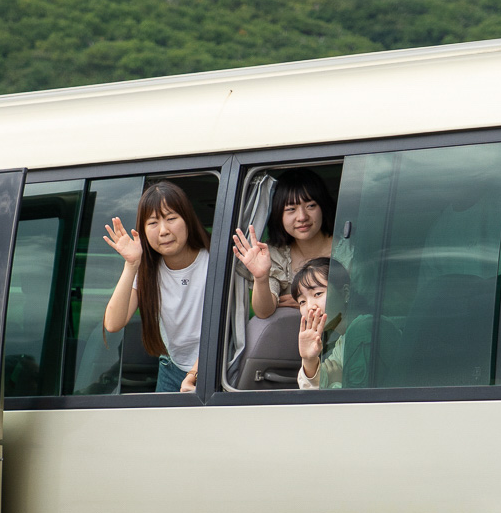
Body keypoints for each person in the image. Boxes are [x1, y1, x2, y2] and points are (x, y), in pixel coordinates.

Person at [101, 181, 211, 392]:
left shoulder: (212, 260)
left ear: (187, 219)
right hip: (172, 368)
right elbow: (113, 323)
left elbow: (228, 328)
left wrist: (194, 374)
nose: (163, 231)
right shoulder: (146, 270)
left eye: (171, 219)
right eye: (152, 223)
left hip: (215, 364)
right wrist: (131, 265)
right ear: (142, 230)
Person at [232, 168, 336, 319]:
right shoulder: (276, 255)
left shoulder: (349, 249)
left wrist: (308, 300)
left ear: (323, 207)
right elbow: (264, 311)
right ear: (278, 215)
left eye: (311, 206)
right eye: (291, 209)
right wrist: (261, 278)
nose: (302, 217)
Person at [293, 259, 370, 390]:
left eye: (318, 294)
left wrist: (335, 382)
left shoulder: (363, 329)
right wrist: (309, 360)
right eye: (302, 302)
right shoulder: (342, 341)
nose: (310, 307)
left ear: (346, 293)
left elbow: (358, 402)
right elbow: (310, 393)